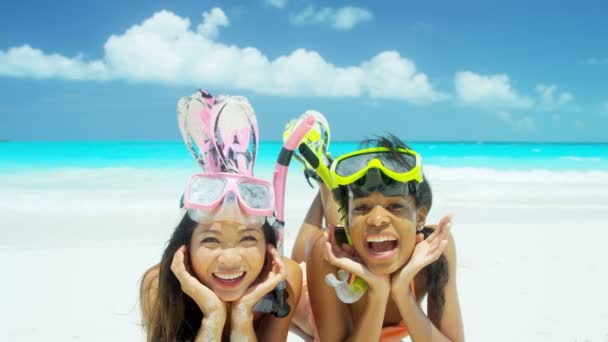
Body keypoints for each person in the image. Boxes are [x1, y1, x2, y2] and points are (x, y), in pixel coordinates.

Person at [295, 134, 464, 341]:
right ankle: (324, 181)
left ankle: (330, 182)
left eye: (395, 206)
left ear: (420, 217)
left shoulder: (436, 248)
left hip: (357, 241)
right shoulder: (329, 252)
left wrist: (402, 292)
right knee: (306, 256)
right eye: (364, 207)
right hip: (312, 297)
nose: (377, 219)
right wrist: (378, 293)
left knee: (358, 224)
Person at [139, 172, 302, 341]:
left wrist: (243, 315)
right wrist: (213, 318)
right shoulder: (160, 286)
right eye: (211, 240)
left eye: (247, 238)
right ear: (186, 248)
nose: (229, 260)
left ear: (269, 248)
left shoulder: (283, 284)